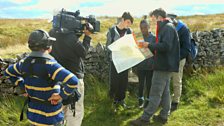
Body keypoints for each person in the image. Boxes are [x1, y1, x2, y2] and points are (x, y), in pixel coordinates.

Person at [4, 29, 79, 126]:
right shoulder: (50, 65)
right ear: (47, 45)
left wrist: (22, 86)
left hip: (33, 117)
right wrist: (61, 95)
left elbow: (8, 72)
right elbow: (73, 81)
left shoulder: (23, 63)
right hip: (51, 118)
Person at [130, 8, 180, 125]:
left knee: (155, 92)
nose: (152, 21)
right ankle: (164, 116)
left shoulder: (167, 28)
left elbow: (166, 46)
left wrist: (149, 45)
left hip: (163, 65)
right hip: (166, 65)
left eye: (153, 17)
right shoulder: (168, 27)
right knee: (165, 92)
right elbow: (165, 46)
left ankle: (145, 118)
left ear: (158, 17)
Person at [49, 22, 92, 126]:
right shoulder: (71, 38)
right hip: (74, 78)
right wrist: (87, 36)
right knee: (75, 111)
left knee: (60, 109)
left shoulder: (52, 34)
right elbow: (83, 53)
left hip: (58, 78)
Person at [106, 12, 134, 112]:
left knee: (124, 82)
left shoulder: (129, 31)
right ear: (122, 20)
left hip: (125, 60)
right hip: (115, 60)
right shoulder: (112, 31)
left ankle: (121, 101)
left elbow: (132, 46)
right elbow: (108, 47)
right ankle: (113, 101)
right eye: (128, 22)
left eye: (130, 23)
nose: (128, 25)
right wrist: (118, 48)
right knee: (114, 82)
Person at [167, 13, 191, 111]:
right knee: (166, 81)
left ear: (175, 20)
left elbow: (186, 48)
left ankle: (175, 101)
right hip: (168, 59)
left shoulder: (184, 29)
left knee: (176, 80)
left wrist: (176, 57)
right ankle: (166, 100)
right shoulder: (168, 27)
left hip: (179, 59)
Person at [136, 17, 155, 108]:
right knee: (141, 83)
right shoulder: (138, 37)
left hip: (150, 65)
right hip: (140, 65)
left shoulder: (154, 38)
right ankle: (140, 99)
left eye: (145, 27)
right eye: (141, 28)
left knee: (149, 83)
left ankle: (148, 99)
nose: (143, 29)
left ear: (149, 27)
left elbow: (156, 51)